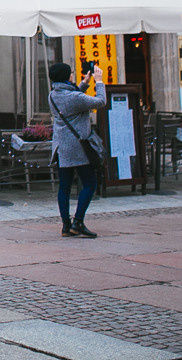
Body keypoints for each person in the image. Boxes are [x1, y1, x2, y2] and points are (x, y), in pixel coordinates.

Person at [49, 62, 106, 238]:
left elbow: (73, 98)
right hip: (78, 147)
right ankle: (78, 221)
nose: (73, 75)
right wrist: (99, 82)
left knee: (64, 187)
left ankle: (66, 226)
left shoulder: (53, 95)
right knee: (90, 183)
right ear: (67, 76)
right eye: (71, 73)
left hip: (61, 147)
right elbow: (101, 101)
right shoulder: (73, 98)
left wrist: (85, 83)